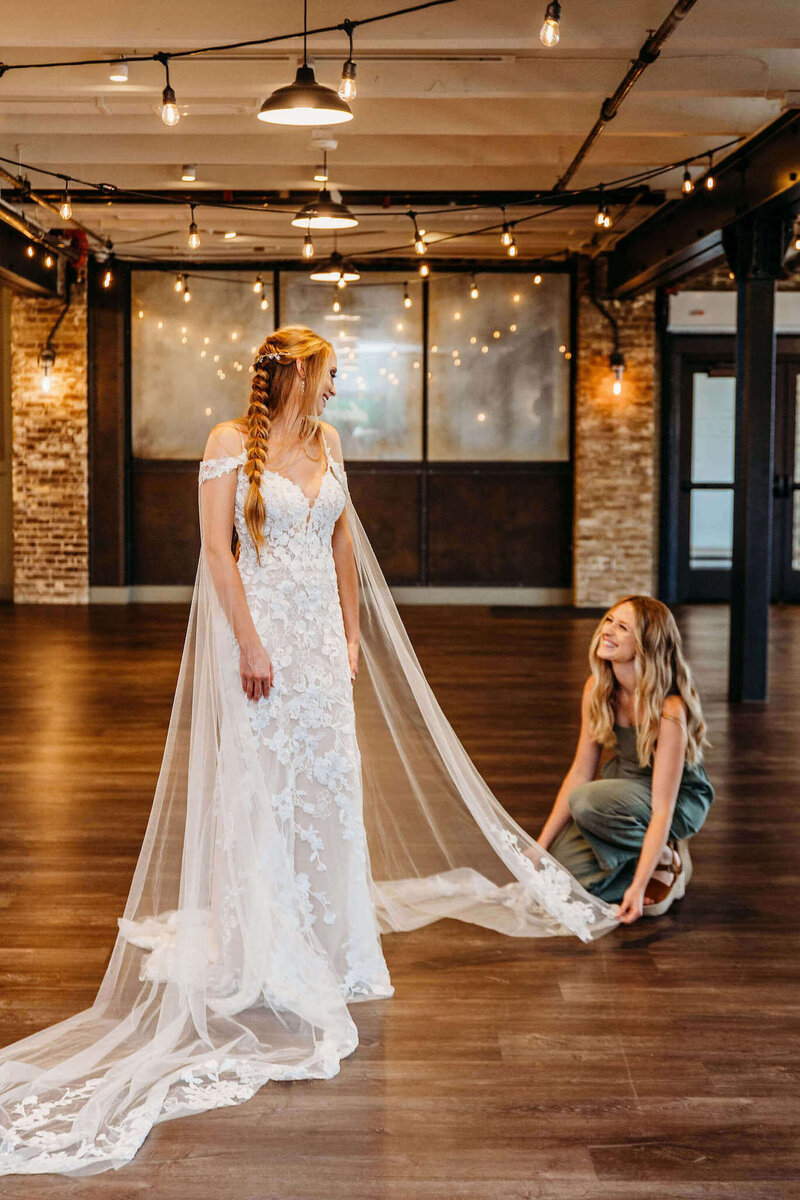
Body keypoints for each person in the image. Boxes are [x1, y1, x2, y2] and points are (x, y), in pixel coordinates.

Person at [0, 325, 621, 1178]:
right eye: (329, 375)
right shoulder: (228, 444)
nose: (335, 391)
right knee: (259, 788)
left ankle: (333, 945)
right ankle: (258, 944)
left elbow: (341, 543)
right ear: (295, 372)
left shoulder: (330, 444)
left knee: (327, 790)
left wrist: (352, 633)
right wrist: (251, 644)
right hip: (257, 641)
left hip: (323, 646)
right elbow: (216, 555)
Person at [536, 595, 714, 925]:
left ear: (646, 644)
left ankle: (666, 859)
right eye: (608, 621)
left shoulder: (669, 709)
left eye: (623, 627)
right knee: (559, 876)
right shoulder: (597, 688)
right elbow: (580, 771)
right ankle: (653, 856)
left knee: (586, 802)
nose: (608, 631)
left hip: (674, 801)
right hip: (621, 793)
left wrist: (638, 887)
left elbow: (663, 807)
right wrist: (541, 846)